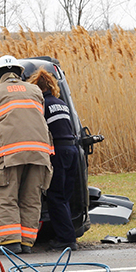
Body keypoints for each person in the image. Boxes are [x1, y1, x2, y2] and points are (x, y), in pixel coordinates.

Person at [0, 55, 53, 254]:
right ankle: (27, 243)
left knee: (6, 197)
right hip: (40, 152)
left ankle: (10, 242)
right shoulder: (35, 90)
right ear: (19, 73)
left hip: (10, 153)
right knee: (31, 198)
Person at [28, 68, 79, 251]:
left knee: (55, 196)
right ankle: (69, 236)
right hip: (71, 150)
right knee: (64, 196)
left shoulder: (41, 105)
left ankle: (66, 240)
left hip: (57, 150)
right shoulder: (60, 103)